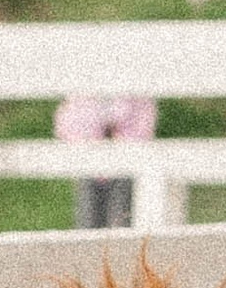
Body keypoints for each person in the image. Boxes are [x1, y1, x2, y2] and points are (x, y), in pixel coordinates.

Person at [55, 90, 156, 229]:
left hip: (125, 164)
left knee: (121, 217)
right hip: (89, 162)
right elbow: (68, 122)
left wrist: (122, 145)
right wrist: (87, 147)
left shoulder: (134, 94)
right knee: (88, 217)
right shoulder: (82, 95)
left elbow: (144, 121)